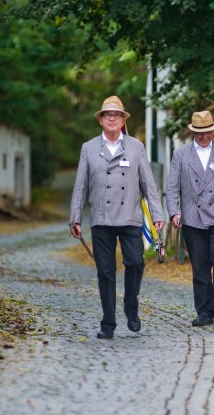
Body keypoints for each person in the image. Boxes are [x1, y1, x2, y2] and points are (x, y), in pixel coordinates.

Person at [69, 95, 165, 339]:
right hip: (101, 219)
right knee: (105, 271)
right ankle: (108, 323)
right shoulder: (88, 148)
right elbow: (80, 186)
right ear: (100, 120)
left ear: (123, 120)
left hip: (130, 217)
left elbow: (148, 184)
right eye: (107, 115)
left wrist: (157, 214)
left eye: (117, 115)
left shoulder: (136, 147)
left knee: (135, 262)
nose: (112, 118)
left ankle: (131, 308)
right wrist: (75, 217)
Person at [166, 111, 214, 326]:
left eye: (207, 132)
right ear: (193, 132)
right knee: (199, 265)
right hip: (192, 217)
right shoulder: (181, 154)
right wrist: (174, 212)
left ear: (212, 130)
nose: (203, 136)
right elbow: (172, 187)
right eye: (199, 133)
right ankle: (204, 311)